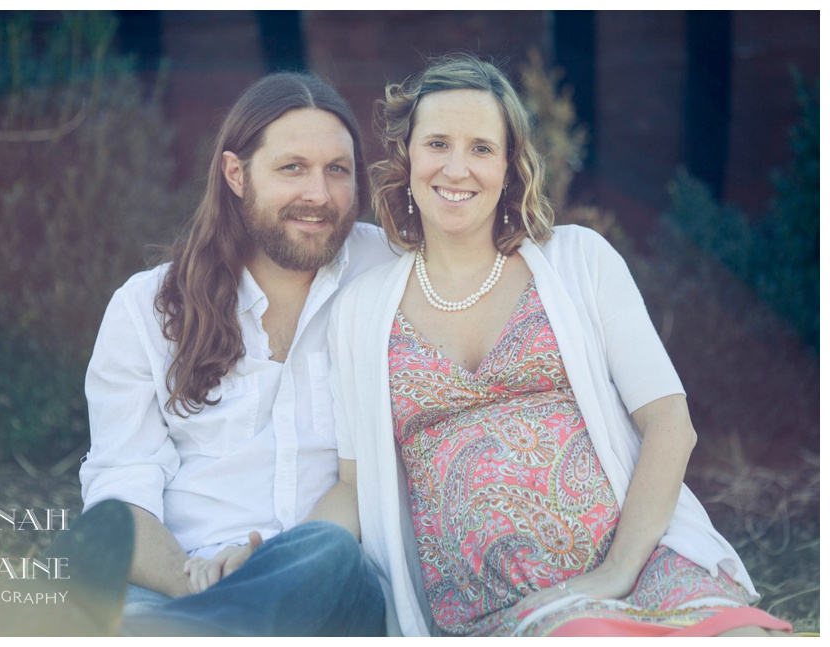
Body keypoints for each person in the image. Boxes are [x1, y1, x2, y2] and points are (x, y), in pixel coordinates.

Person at [323, 54, 792, 636]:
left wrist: (618, 571)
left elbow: (671, 420)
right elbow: (353, 484)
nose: (457, 167)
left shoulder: (580, 260)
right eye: (438, 143)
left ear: (510, 166)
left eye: (482, 148)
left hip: (639, 565)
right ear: (407, 157)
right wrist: (273, 562)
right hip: (495, 611)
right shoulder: (361, 311)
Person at [76, 71, 395, 636]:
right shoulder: (147, 309)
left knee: (328, 551)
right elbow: (120, 494)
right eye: (292, 167)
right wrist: (194, 577)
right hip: (180, 585)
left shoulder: (387, 273)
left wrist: (262, 568)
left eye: (337, 170)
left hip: (326, 585)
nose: (318, 194)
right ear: (235, 174)